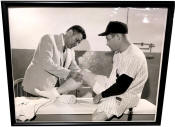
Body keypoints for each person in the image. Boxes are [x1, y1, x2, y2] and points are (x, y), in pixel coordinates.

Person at [91, 21, 148, 121]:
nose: (107, 43)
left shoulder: (134, 55)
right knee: (87, 75)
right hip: (119, 90)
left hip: (128, 95)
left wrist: (101, 95)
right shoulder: (117, 54)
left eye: (108, 39)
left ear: (118, 36)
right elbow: (114, 77)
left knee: (96, 119)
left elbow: (121, 87)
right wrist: (104, 90)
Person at [22, 25, 86, 96]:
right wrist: (70, 73)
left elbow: (74, 68)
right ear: (70, 33)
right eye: (76, 40)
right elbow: (46, 63)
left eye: (79, 42)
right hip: (36, 88)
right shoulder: (48, 39)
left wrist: (84, 74)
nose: (76, 44)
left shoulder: (71, 51)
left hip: (52, 90)